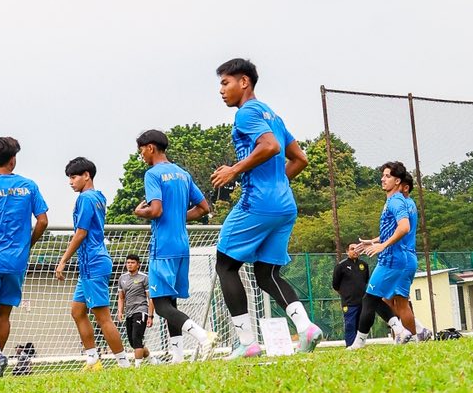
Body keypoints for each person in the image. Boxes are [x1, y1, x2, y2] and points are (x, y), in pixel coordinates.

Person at [208, 60, 324, 358]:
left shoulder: (246, 113)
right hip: (284, 205)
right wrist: (277, 184)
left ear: (244, 82)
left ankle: (247, 343)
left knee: (225, 265)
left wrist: (234, 169)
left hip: (257, 202)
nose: (221, 90)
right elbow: (300, 159)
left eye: (225, 83)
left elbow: (270, 146)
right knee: (265, 273)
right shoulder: (273, 114)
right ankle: (306, 328)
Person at [0, 138, 49, 375]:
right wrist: (28, 244)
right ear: (13, 160)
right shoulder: (29, 186)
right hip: (17, 261)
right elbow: (43, 221)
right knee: (3, 314)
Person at [133, 130, 215, 361]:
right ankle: (178, 358)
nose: (141, 155)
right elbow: (204, 208)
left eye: (141, 150)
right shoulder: (182, 174)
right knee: (171, 301)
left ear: (150, 148)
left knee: (160, 305)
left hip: (163, 246)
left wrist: (140, 212)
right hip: (182, 245)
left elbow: (156, 210)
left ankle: (202, 336)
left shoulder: (152, 174)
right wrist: (178, 216)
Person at [55, 158, 131, 366]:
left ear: (87, 175)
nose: (70, 182)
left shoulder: (85, 198)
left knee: (102, 317)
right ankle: (92, 360)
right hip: (92, 263)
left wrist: (63, 260)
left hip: (93, 263)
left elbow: (81, 233)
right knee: (77, 311)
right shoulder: (99, 196)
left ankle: (124, 364)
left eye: (74, 177)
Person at [354, 161, 433, 344]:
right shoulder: (406, 203)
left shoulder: (397, 201)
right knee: (391, 300)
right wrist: (374, 241)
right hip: (405, 257)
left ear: (401, 184)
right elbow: (393, 230)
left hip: (396, 257)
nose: (383, 179)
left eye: (387, 176)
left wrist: (382, 245)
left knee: (375, 299)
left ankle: (363, 342)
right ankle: (416, 333)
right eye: (383, 175)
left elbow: (403, 228)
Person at [332, 243, 370, 347]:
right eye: (352, 249)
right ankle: (350, 346)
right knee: (350, 324)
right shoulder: (341, 266)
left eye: (357, 249)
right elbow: (335, 285)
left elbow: (366, 280)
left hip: (362, 301)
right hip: (349, 302)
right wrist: (346, 294)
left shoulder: (364, 265)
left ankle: (359, 345)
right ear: (347, 251)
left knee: (361, 325)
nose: (355, 251)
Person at [117, 255, 151, 360]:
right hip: (129, 312)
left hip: (141, 310)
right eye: (128, 262)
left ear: (138, 265)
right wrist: (120, 312)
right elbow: (121, 297)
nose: (130, 265)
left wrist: (150, 316)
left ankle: (137, 366)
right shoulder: (122, 278)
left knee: (137, 338)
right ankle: (152, 360)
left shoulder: (144, 278)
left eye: (132, 263)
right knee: (133, 342)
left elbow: (150, 298)